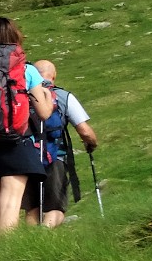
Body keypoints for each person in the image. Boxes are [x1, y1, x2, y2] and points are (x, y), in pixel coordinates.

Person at [0, 17, 53, 234]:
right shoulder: (25, 69)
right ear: (14, 37)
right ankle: (4, 256)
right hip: (17, 141)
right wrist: (47, 97)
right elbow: (43, 112)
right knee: (11, 202)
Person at [23, 59, 99, 228]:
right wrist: (92, 143)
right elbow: (85, 131)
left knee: (32, 209)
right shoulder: (63, 96)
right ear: (54, 75)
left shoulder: (23, 95)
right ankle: (44, 235)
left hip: (26, 158)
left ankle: (30, 243)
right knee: (55, 208)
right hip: (54, 157)